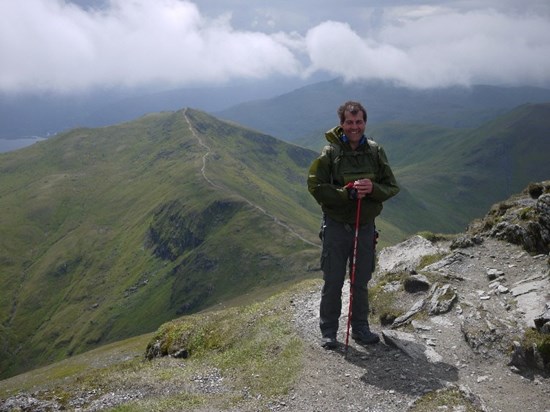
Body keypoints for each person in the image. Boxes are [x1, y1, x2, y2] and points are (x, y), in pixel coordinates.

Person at [307, 101, 399, 349]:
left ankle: (360, 329)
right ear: (342, 124)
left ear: (364, 123)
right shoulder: (330, 154)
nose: (354, 127)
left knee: (360, 281)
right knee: (333, 280)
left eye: (359, 122)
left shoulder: (375, 151)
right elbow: (316, 187)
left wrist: (373, 188)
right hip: (337, 227)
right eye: (349, 122)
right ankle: (329, 332)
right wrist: (345, 194)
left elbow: (392, 187)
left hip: (365, 226)